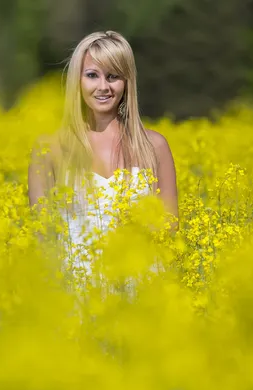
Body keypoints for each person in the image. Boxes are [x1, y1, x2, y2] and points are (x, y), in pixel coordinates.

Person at [28, 30, 178, 272]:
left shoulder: (155, 147)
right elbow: (41, 236)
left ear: (127, 82)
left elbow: (170, 228)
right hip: (75, 292)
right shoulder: (50, 149)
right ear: (77, 80)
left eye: (113, 76)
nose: (103, 87)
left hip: (142, 290)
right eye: (92, 75)